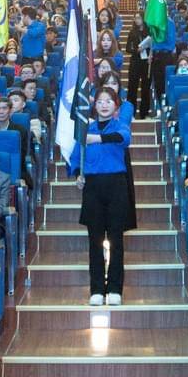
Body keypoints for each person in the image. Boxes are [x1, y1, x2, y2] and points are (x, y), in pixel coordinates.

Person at [69, 85, 137, 306]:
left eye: (108, 101)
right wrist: (78, 175)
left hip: (116, 186)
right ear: (94, 105)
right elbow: (76, 157)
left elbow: (124, 138)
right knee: (95, 241)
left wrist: (96, 139)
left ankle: (115, 289)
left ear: (116, 105)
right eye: (100, 101)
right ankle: (97, 289)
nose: (104, 105)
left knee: (116, 240)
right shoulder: (85, 128)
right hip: (93, 188)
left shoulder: (119, 125)